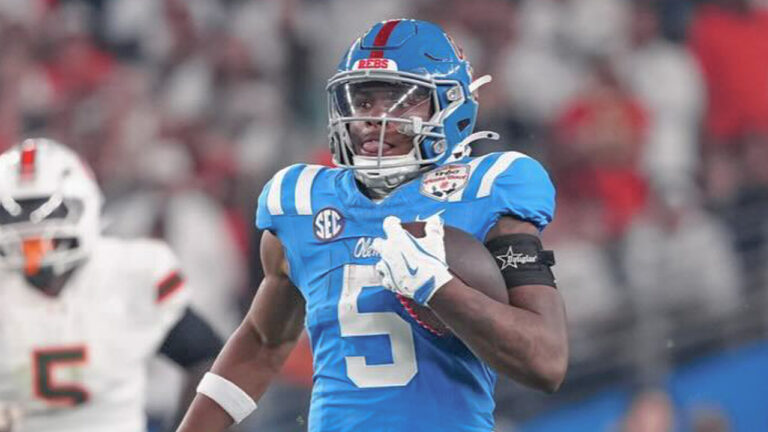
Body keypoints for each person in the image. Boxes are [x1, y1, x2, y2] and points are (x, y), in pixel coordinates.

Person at [178, 19, 568, 432]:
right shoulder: (302, 201)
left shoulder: (489, 188)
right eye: (363, 102)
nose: (375, 119)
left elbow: (546, 362)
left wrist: (439, 289)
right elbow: (262, 342)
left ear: (451, 104)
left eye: (400, 100)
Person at [0, 138, 223, 432]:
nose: (30, 229)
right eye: (11, 213)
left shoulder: (129, 274)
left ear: (84, 204)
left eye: (44, 211)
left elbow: (209, 360)